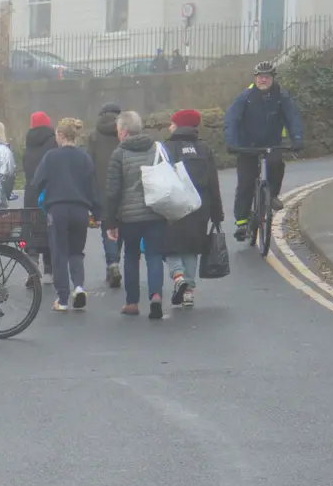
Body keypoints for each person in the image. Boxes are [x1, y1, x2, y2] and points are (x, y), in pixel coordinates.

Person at [224, 60, 304, 240]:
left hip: (272, 143)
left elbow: (293, 118)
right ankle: (241, 222)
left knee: (276, 163)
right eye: (260, 77)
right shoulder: (246, 97)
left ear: (273, 78)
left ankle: (272, 195)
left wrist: (297, 139)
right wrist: (232, 142)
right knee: (245, 182)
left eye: (267, 77)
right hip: (247, 145)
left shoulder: (282, 97)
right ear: (255, 78)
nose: (263, 80)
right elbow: (232, 120)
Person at [29, 117, 100, 312]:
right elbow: (93, 188)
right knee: (76, 251)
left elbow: (37, 182)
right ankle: (78, 286)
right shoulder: (84, 157)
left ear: (60, 135)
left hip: (57, 209)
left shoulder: (51, 157)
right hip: (80, 210)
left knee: (59, 252)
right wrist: (98, 213)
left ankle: (62, 299)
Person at [103, 110, 167, 320]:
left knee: (131, 256)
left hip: (129, 217)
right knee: (154, 255)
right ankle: (156, 296)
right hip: (156, 211)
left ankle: (132, 303)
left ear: (123, 131)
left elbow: (113, 191)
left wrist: (110, 222)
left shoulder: (119, 154)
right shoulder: (157, 148)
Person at [163, 109, 225, 309]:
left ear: (179, 125)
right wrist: (217, 213)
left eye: (172, 123)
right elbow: (213, 182)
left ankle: (178, 276)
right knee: (192, 247)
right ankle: (188, 291)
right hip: (200, 207)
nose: (170, 126)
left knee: (170, 245)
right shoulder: (204, 148)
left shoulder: (166, 147)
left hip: (173, 205)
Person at [87, 102, 124, 287]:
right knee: (122, 227)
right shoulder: (124, 132)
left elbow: (89, 165)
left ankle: (113, 263)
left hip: (102, 190)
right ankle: (116, 260)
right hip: (124, 188)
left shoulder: (93, 136)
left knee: (107, 229)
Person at [22, 111, 58, 276]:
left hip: (31, 191)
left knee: (32, 227)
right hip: (49, 191)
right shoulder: (53, 142)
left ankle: (33, 264)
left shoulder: (29, 143)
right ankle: (49, 270)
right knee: (49, 228)